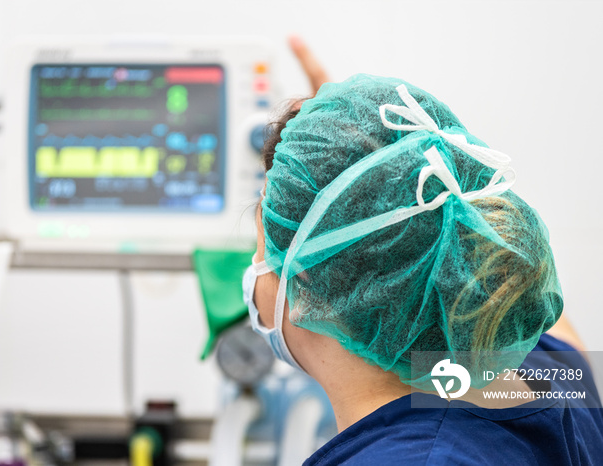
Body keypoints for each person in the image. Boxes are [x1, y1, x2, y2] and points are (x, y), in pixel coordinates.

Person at [242, 36, 603, 465]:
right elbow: (560, 331)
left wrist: (360, 189)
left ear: (306, 276)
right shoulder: (551, 374)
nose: (254, 263)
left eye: (260, 237)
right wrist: (360, 172)